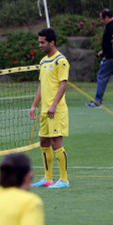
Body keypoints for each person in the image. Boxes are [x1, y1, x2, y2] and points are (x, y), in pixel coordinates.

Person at [29, 28, 70, 189]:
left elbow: (63, 84)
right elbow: (42, 86)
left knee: (56, 142)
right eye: (39, 42)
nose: (40, 45)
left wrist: (54, 105)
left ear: (52, 42)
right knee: (44, 142)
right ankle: (48, 178)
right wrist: (34, 106)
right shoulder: (43, 61)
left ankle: (64, 180)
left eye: (42, 42)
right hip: (45, 110)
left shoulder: (61, 61)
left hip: (56, 110)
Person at [86, 9, 113, 108]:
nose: (101, 21)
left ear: (107, 17)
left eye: (102, 19)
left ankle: (98, 101)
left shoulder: (112, 27)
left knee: (102, 77)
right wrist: (103, 52)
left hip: (111, 59)